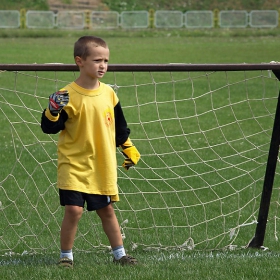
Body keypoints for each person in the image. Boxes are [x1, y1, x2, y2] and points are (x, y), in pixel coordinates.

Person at [41, 36, 140, 268]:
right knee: (74, 210)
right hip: (73, 165)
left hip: (101, 166)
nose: (103, 65)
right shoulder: (66, 95)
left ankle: (120, 255)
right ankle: (66, 256)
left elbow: (120, 127)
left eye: (106, 60)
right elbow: (49, 128)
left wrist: (128, 148)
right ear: (80, 61)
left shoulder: (109, 93)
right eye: (97, 60)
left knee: (106, 210)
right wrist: (52, 111)